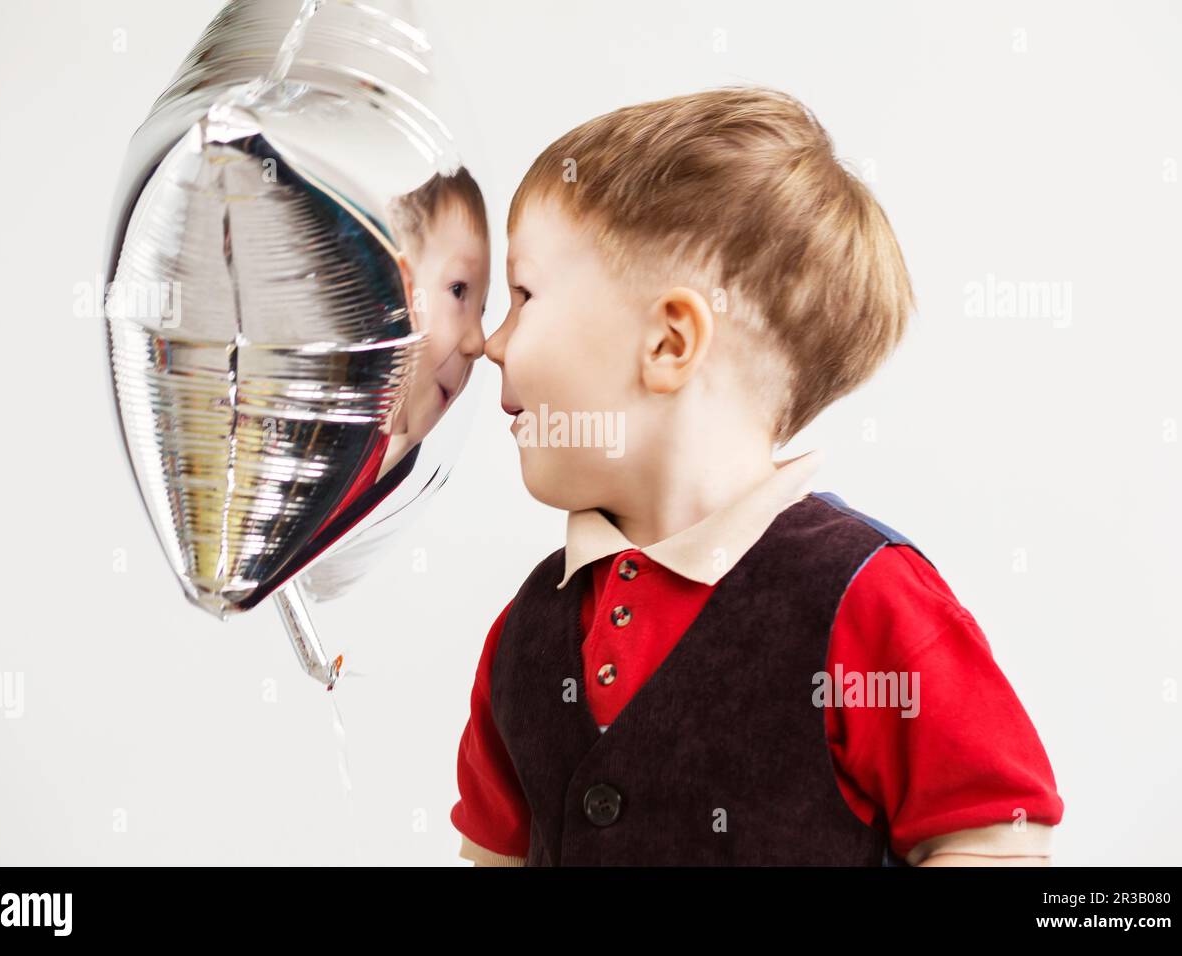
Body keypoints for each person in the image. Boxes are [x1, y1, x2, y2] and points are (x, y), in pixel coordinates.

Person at [450, 86, 1063, 866]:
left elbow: (993, 832)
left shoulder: (865, 600)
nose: (489, 343)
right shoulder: (526, 631)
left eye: (524, 295)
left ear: (670, 343)